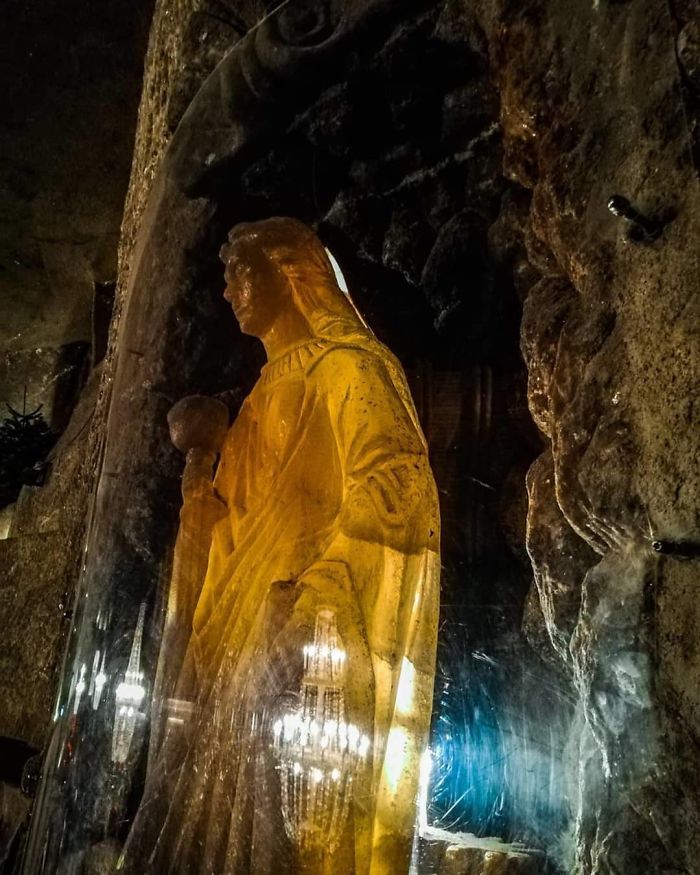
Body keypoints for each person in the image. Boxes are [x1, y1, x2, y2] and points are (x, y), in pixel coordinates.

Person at [119, 217, 440, 874]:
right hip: (229, 651)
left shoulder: (349, 369)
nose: (230, 289)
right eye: (226, 276)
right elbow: (229, 536)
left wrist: (313, 594)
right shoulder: (260, 397)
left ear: (290, 272)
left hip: (291, 646)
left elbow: (396, 485)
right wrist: (200, 482)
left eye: (242, 271)